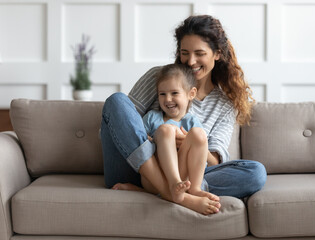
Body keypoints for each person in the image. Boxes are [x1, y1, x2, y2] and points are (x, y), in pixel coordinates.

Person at [100, 15, 267, 215]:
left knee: (255, 173)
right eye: (185, 53)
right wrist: (160, 139)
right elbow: (124, 126)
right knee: (116, 101)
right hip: (133, 170)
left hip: (188, 174)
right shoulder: (159, 77)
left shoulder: (225, 103)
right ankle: (175, 195)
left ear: (217, 54)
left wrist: (188, 141)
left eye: (199, 53)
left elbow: (214, 160)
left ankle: (163, 191)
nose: (191, 61)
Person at [141, 63, 217, 204]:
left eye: (174, 93)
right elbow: (137, 144)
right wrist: (153, 139)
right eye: (162, 94)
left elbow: (201, 157)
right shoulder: (152, 117)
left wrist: (187, 141)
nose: (168, 99)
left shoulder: (191, 122)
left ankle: (194, 188)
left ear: (191, 94)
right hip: (155, 177)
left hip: (184, 180)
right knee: (166, 129)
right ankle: (172, 184)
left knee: (198, 134)